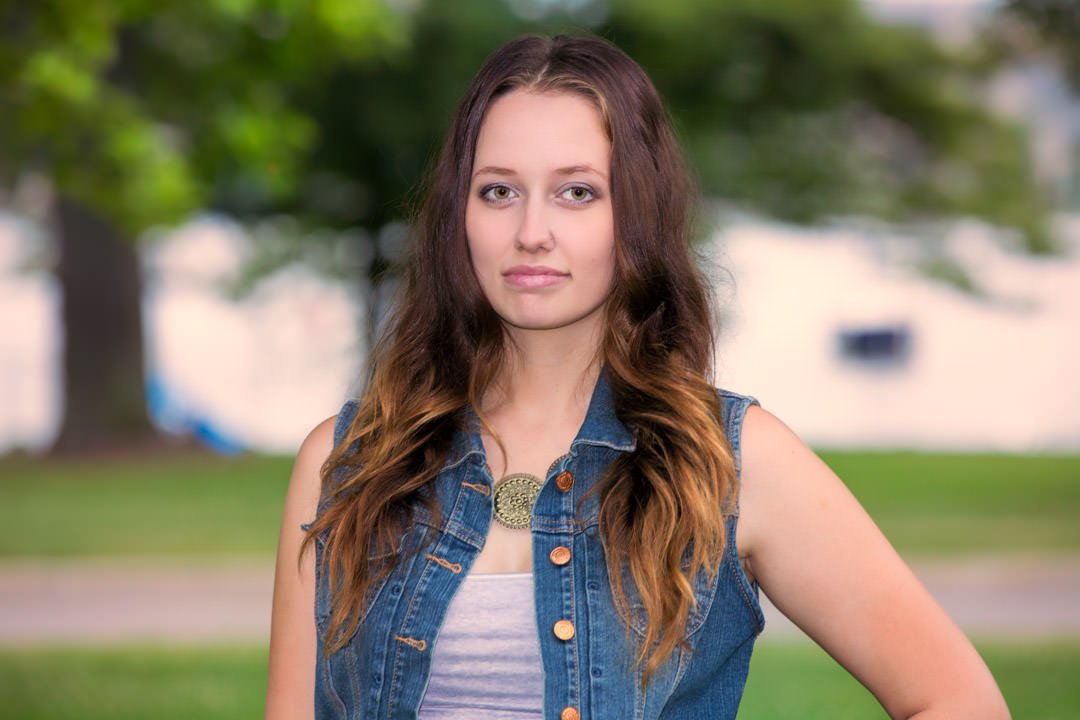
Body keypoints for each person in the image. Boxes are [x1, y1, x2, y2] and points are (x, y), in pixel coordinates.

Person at [266, 33, 1010, 720]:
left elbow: (959, 700)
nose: (531, 232)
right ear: (457, 214)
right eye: (498, 191)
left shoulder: (729, 462)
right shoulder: (346, 462)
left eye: (577, 192)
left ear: (638, 213)